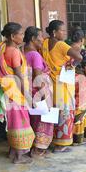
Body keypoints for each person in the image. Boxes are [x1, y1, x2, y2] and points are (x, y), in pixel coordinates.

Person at [0, 22, 35, 163]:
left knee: (13, 123)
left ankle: (12, 152)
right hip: (16, 93)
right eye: (21, 34)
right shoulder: (15, 52)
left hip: (8, 91)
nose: (23, 36)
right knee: (20, 124)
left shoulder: (2, 48)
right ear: (12, 36)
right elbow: (19, 77)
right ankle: (18, 157)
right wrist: (28, 96)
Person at [42, 20, 82, 153]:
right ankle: (61, 143)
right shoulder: (61, 45)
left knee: (53, 110)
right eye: (62, 30)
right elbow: (79, 57)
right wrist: (72, 65)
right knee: (65, 112)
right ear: (54, 32)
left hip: (50, 82)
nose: (65, 33)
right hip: (63, 82)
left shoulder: (45, 43)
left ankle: (49, 140)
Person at [24, 26, 53, 158]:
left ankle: (30, 146)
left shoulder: (21, 52)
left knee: (33, 119)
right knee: (43, 119)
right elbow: (37, 76)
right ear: (33, 39)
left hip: (28, 92)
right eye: (40, 37)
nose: (42, 39)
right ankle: (38, 149)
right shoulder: (35, 54)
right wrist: (43, 94)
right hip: (38, 91)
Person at [71, 28, 86, 144]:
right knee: (80, 108)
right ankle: (77, 136)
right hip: (80, 82)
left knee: (69, 108)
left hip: (67, 81)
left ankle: (66, 135)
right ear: (82, 40)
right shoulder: (82, 52)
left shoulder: (65, 49)